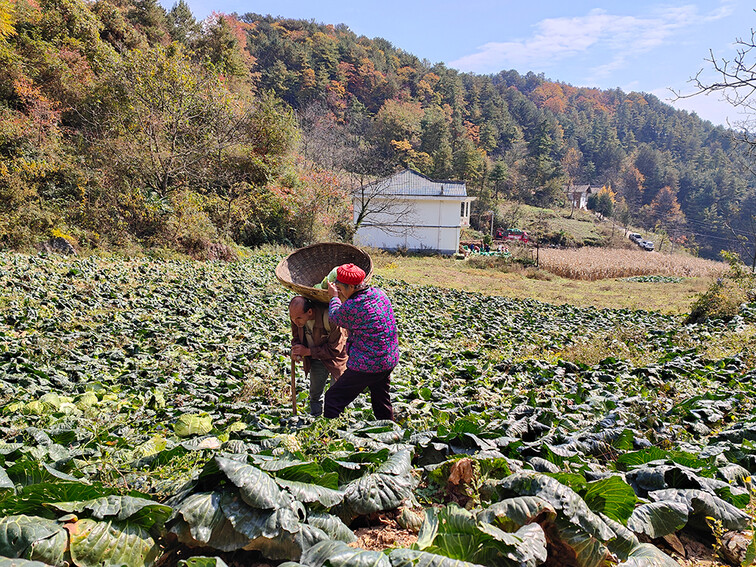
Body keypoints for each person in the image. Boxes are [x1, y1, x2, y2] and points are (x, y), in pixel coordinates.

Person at [324, 263, 399, 421]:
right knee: (381, 399)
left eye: (341, 288)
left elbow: (335, 317)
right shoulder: (379, 294)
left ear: (351, 287)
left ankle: (328, 438)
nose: (340, 291)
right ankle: (391, 432)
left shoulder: (354, 306)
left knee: (332, 398)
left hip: (368, 364)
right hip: (388, 359)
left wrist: (334, 297)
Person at [289, 296, 348, 416]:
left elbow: (335, 349)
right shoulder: (296, 319)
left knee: (335, 394)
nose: (295, 322)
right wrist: (297, 350)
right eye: (292, 318)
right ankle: (315, 419)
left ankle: (334, 423)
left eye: (299, 318)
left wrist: (307, 352)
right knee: (315, 393)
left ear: (310, 312)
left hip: (336, 359)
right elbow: (296, 338)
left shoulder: (330, 318)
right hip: (316, 358)